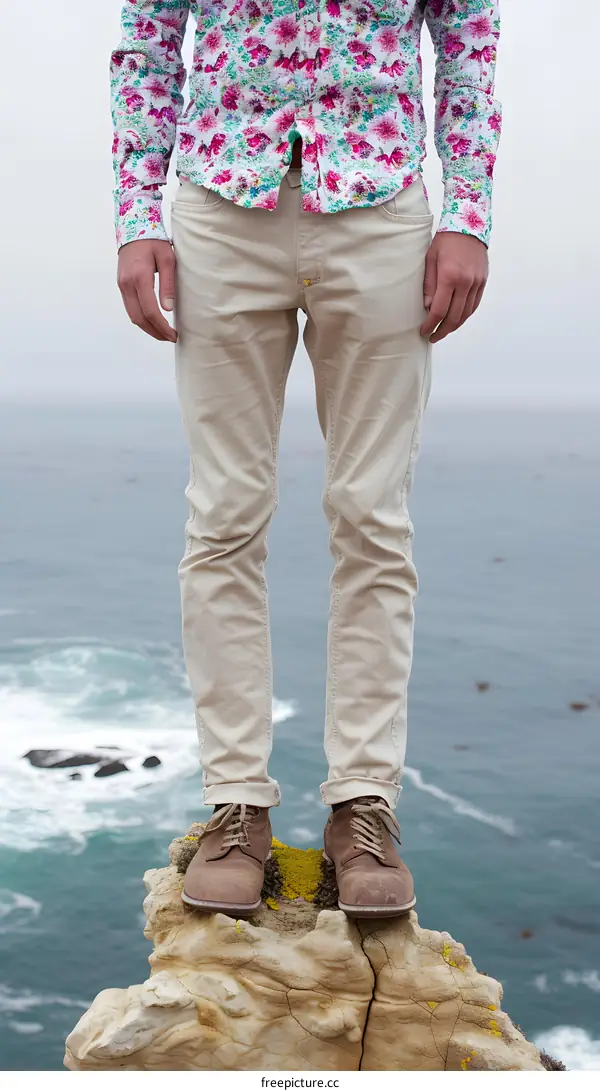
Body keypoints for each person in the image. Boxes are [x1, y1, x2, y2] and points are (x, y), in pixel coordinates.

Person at [110, 0, 501, 919]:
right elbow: (149, 38)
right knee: (223, 519)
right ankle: (236, 804)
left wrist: (470, 213)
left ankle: (363, 805)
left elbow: (469, 32)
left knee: (372, 517)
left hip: (379, 208)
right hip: (220, 207)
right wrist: (136, 214)